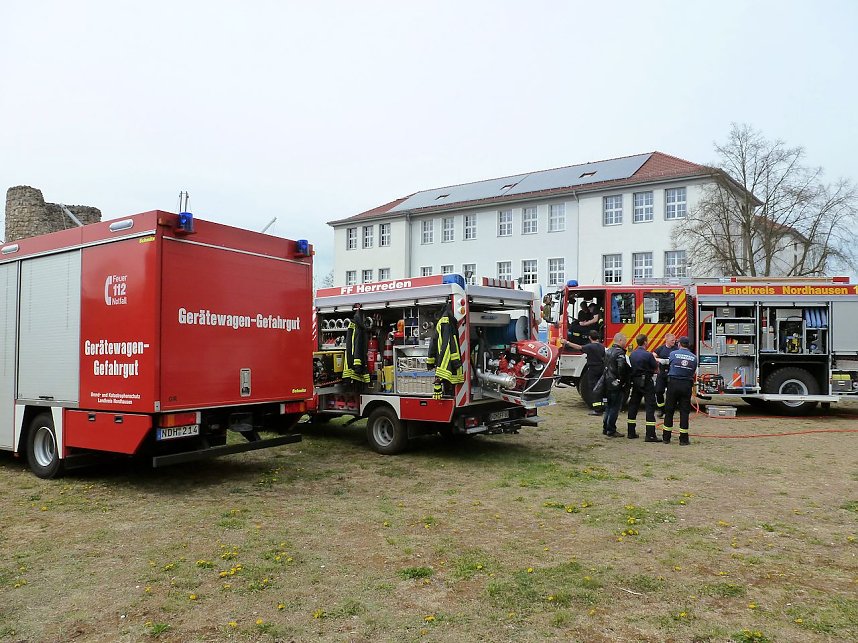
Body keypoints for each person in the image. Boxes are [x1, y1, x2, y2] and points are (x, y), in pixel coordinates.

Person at [662, 336, 698, 445]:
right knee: (684, 412)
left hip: (673, 384)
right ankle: (683, 439)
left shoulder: (673, 354)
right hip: (686, 385)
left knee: (669, 411)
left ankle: (666, 438)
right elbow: (693, 371)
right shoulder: (694, 357)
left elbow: (669, 364)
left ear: (679, 344)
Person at [563, 329, 605, 415]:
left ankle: (597, 410)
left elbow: (579, 347)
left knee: (593, 388)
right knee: (600, 387)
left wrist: (567, 342)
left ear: (590, 337)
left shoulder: (590, 347)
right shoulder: (601, 346)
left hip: (593, 369)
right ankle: (601, 407)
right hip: (601, 368)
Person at [626, 334, 660, 442]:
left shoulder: (632, 354)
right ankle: (650, 435)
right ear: (645, 342)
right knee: (650, 406)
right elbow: (655, 367)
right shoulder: (648, 355)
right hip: (646, 382)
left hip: (635, 382)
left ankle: (631, 432)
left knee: (633, 405)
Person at [427, 303, 464, 398]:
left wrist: (431, 363)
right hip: (454, 366)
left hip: (447, 366)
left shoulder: (443, 322)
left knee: (449, 391)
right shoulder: (451, 321)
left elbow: (438, 344)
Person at [602, 332, 629, 437]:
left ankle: (605, 427)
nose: (626, 342)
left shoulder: (608, 351)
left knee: (608, 406)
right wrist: (622, 381)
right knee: (615, 407)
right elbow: (621, 368)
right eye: (625, 340)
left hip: (608, 382)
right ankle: (611, 429)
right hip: (615, 383)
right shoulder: (619, 353)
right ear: (620, 341)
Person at [652, 333, 677, 415]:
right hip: (662, 374)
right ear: (667, 340)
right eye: (672, 340)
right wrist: (659, 360)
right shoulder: (661, 348)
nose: (674, 341)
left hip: (672, 374)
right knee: (658, 391)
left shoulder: (676, 349)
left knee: (671, 393)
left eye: (674, 340)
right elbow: (652, 356)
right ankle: (661, 409)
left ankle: (669, 410)